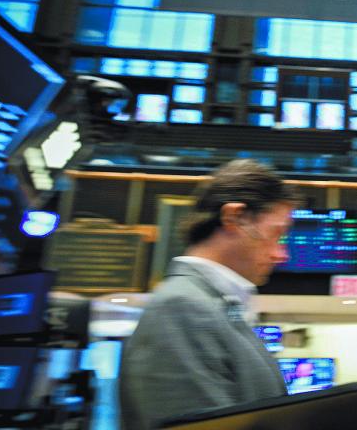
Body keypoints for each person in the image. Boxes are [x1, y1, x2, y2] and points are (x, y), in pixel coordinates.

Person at [119, 159, 298, 429]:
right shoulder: (182, 307)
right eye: (276, 234)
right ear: (235, 217)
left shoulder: (216, 306)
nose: (281, 255)